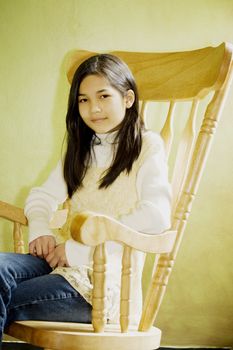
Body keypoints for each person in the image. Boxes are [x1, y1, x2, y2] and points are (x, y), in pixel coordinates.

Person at [0, 53, 171, 344]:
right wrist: (41, 229)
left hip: (102, 286)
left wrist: (79, 250)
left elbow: (156, 216)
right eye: (83, 100)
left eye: (104, 96)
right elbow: (42, 195)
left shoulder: (147, 146)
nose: (93, 109)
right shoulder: (81, 148)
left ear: (128, 98)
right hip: (61, 262)